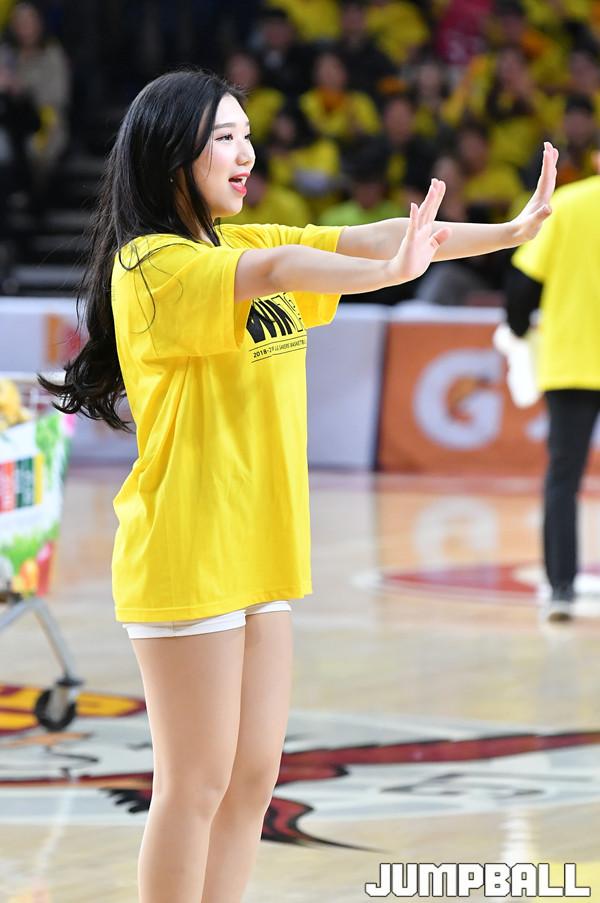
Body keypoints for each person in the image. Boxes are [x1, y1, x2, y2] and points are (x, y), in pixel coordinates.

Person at [37, 68, 557, 902]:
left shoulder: (230, 244)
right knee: (195, 784)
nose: (245, 153)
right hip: (189, 545)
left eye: (247, 135)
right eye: (224, 138)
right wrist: (392, 272)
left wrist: (507, 231)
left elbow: (369, 238)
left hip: (261, 544)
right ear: (171, 156)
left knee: (252, 780)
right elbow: (286, 268)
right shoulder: (152, 265)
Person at [505, 154, 600, 623]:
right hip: (570, 361)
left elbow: (523, 283)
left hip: (571, 361)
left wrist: (518, 329)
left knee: (563, 478)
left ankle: (561, 589)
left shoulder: (567, 204)